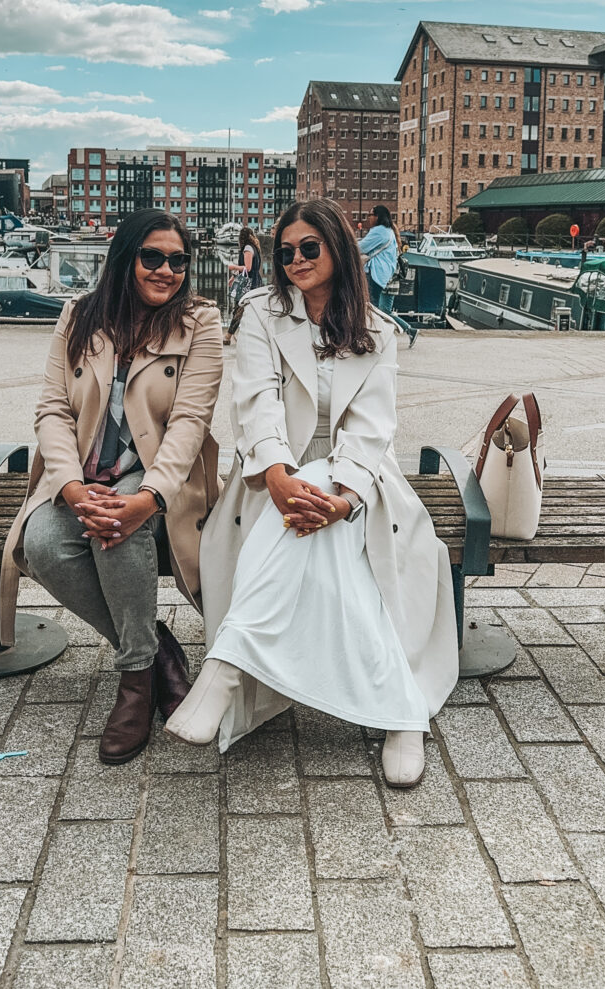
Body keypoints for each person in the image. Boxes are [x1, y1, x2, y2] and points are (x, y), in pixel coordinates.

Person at [166, 199, 458, 789]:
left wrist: (344, 496)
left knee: (325, 504)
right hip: (275, 474)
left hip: (360, 478)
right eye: (285, 252)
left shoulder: (376, 332)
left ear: (337, 250)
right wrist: (277, 476)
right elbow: (256, 403)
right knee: (321, 534)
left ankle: (227, 665)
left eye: (308, 248)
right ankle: (402, 712)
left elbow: (372, 428)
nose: (295, 260)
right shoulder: (261, 314)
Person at [1, 210, 224, 765]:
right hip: (78, 470)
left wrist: (146, 500)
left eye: (178, 260)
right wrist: (71, 488)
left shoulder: (201, 320)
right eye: (152, 257)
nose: (166, 271)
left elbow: (190, 424)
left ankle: (133, 686)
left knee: (120, 535)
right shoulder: (80, 316)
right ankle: (155, 652)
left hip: (154, 471)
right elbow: (52, 410)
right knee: (45, 545)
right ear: (125, 260)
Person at [358, 205, 418, 347]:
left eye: (370, 215)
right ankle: (408, 331)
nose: (368, 218)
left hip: (379, 275)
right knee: (380, 310)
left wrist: (343, 245)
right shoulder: (389, 232)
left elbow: (362, 247)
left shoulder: (380, 231)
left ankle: (375, 339)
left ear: (377, 216)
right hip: (387, 277)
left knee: (374, 309)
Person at [224, 227, 262, 344]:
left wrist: (233, 267)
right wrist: (234, 276)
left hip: (248, 284)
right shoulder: (254, 247)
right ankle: (234, 335)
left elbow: (248, 268)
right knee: (247, 310)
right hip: (254, 282)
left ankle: (228, 336)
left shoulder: (247, 248)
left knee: (239, 309)